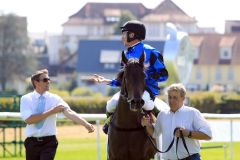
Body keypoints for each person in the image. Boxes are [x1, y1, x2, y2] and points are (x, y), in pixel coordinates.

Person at [91, 20, 168, 133]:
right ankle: (109, 123)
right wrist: (105, 81)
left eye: (124, 33)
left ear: (132, 35)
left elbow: (164, 75)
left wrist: (142, 77)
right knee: (111, 104)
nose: (122, 37)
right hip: (128, 91)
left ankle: (160, 127)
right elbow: (122, 80)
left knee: (147, 103)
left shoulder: (151, 51)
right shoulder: (126, 54)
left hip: (147, 90)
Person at [20, 69, 95, 160]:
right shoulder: (26, 99)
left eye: (49, 79)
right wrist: (52, 111)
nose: (48, 82)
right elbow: (29, 120)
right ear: (36, 82)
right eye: (45, 80)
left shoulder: (55, 98)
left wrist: (85, 124)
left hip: (49, 142)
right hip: (31, 143)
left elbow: (69, 112)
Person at [141, 83, 212, 160]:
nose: (171, 101)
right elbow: (155, 133)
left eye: (175, 98)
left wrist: (188, 133)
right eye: (170, 97)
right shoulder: (162, 114)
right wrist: (147, 125)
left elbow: (208, 135)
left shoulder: (193, 113)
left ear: (183, 98)